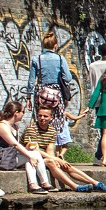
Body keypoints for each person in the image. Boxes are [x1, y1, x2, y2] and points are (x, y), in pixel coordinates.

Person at [22, 105, 106, 192]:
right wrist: (55, 159)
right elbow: (34, 150)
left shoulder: (52, 130)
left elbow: (50, 150)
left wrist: (56, 160)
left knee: (66, 166)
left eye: (45, 116)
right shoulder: (32, 129)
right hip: (30, 159)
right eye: (40, 116)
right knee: (51, 162)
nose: (42, 118)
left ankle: (96, 183)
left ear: (51, 117)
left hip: (43, 158)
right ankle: (75, 187)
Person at [27, 31, 80, 159]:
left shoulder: (36, 59)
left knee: (41, 119)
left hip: (41, 92)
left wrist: (28, 98)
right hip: (56, 94)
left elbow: (30, 81)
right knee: (57, 121)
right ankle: (55, 152)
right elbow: (67, 78)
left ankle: (41, 151)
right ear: (55, 45)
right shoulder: (60, 59)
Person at [0, 99, 54, 192]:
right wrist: (29, 155)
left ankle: (40, 183)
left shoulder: (15, 127)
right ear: (16, 113)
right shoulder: (2, 126)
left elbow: (18, 146)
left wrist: (27, 149)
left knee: (34, 153)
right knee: (31, 156)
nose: (23, 114)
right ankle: (37, 184)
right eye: (22, 112)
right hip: (1, 159)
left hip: (10, 158)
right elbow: (15, 144)